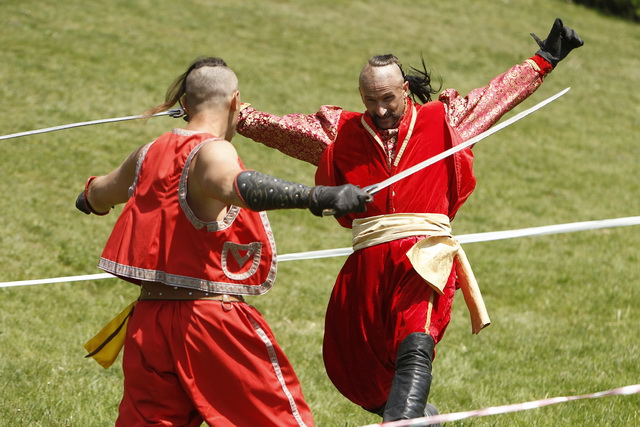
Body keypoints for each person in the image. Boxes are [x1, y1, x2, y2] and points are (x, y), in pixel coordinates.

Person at [235, 19, 583, 423]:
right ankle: (421, 418)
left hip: (424, 257)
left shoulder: (444, 120)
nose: (380, 110)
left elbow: (495, 97)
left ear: (404, 89)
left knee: (415, 343)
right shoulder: (342, 132)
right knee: (355, 363)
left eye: (388, 99)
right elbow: (280, 129)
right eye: (370, 101)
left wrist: (544, 59)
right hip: (368, 266)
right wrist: (228, 114)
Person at [74, 56, 371, 427]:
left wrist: (89, 199)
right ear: (236, 101)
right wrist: (317, 196)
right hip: (209, 322)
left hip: (149, 324)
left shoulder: (146, 154)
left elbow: (99, 193)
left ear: (185, 103)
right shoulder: (213, 150)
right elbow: (235, 184)